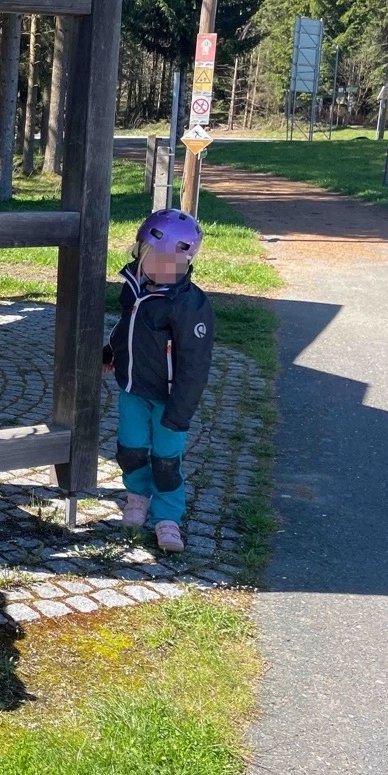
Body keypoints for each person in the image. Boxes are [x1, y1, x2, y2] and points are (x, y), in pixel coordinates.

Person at [103, 208, 215, 553]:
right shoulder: (134, 288)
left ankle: (168, 518)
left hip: (169, 399)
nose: (154, 266)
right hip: (133, 390)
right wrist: (110, 352)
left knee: (166, 461)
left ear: (183, 262)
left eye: (166, 261)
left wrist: (180, 413)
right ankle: (138, 496)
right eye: (148, 256)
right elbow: (127, 329)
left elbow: (195, 366)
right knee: (131, 451)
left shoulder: (190, 306)